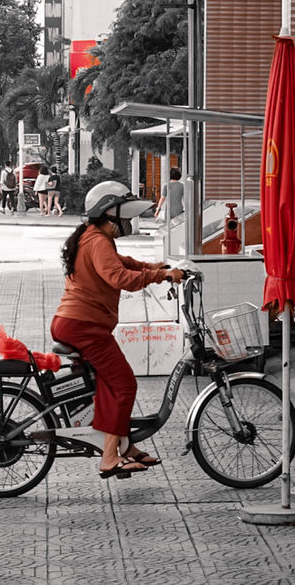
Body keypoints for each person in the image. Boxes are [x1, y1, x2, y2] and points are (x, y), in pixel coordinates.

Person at [51, 181, 184, 478]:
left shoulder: (95, 237)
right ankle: (110, 456)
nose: (127, 222)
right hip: (84, 327)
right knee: (124, 384)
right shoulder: (96, 240)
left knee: (110, 385)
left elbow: (127, 263)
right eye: (123, 216)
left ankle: (124, 447)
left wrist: (159, 269)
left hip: (81, 324)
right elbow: (120, 277)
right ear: (108, 213)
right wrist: (158, 277)